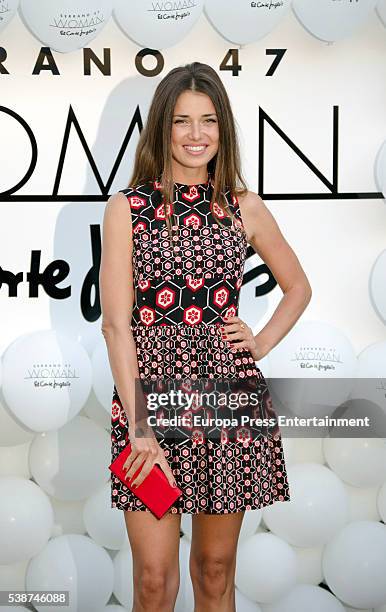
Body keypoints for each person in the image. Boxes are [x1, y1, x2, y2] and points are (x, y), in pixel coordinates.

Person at [99, 61, 312, 612]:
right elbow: (116, 326)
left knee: (215, 571)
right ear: (162, 128)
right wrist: (140, 429)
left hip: (227, 408)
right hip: (148, 412)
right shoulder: (128, 208)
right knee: (153, 578)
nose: (197, 135)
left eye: (209, 121)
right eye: (182, 121)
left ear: (224, 130)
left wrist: (259, 344)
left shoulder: (241, 206)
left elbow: (298, 288)